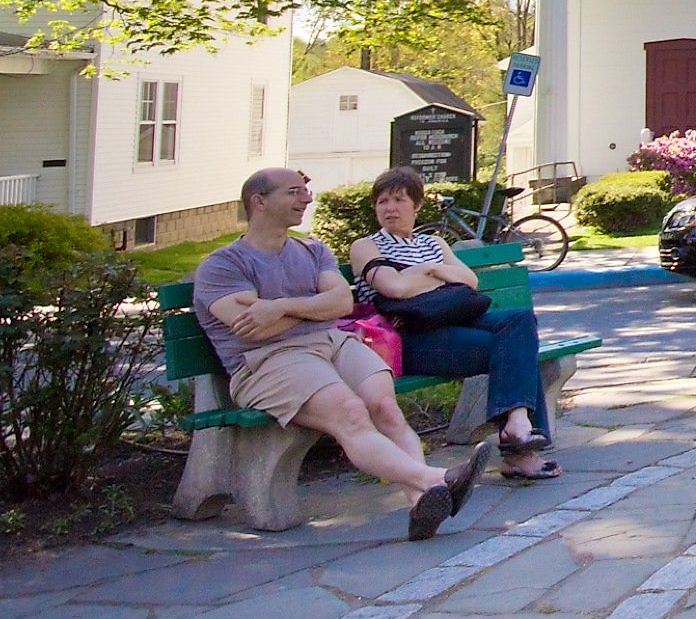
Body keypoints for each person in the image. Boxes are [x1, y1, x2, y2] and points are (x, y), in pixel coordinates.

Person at [193, 168, 490, 541]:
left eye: (306, 191)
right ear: (260, 202)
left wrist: (281, 306)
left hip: (332, 343)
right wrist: (314, 307)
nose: (307, 199)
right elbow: (256, 329)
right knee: (350, 414)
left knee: (385, 409)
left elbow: (341, 302)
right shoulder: (222, 266)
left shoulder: (312, 250)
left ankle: (420, 504)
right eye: (294, 192)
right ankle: (439, 480)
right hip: (268, 361)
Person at [348, 166, 559, 481]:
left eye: (398, 200)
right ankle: (519, 449)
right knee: (510, 350)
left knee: (519, 320)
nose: (390, 208)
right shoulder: (366, 246)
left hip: (455, 320)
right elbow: (392, 288)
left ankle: (516, 422)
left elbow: (469, 280)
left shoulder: (434, 243)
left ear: (417, 205)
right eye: (382, 202)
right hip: (412, 337)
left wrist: (425, 272)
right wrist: (439, 275)